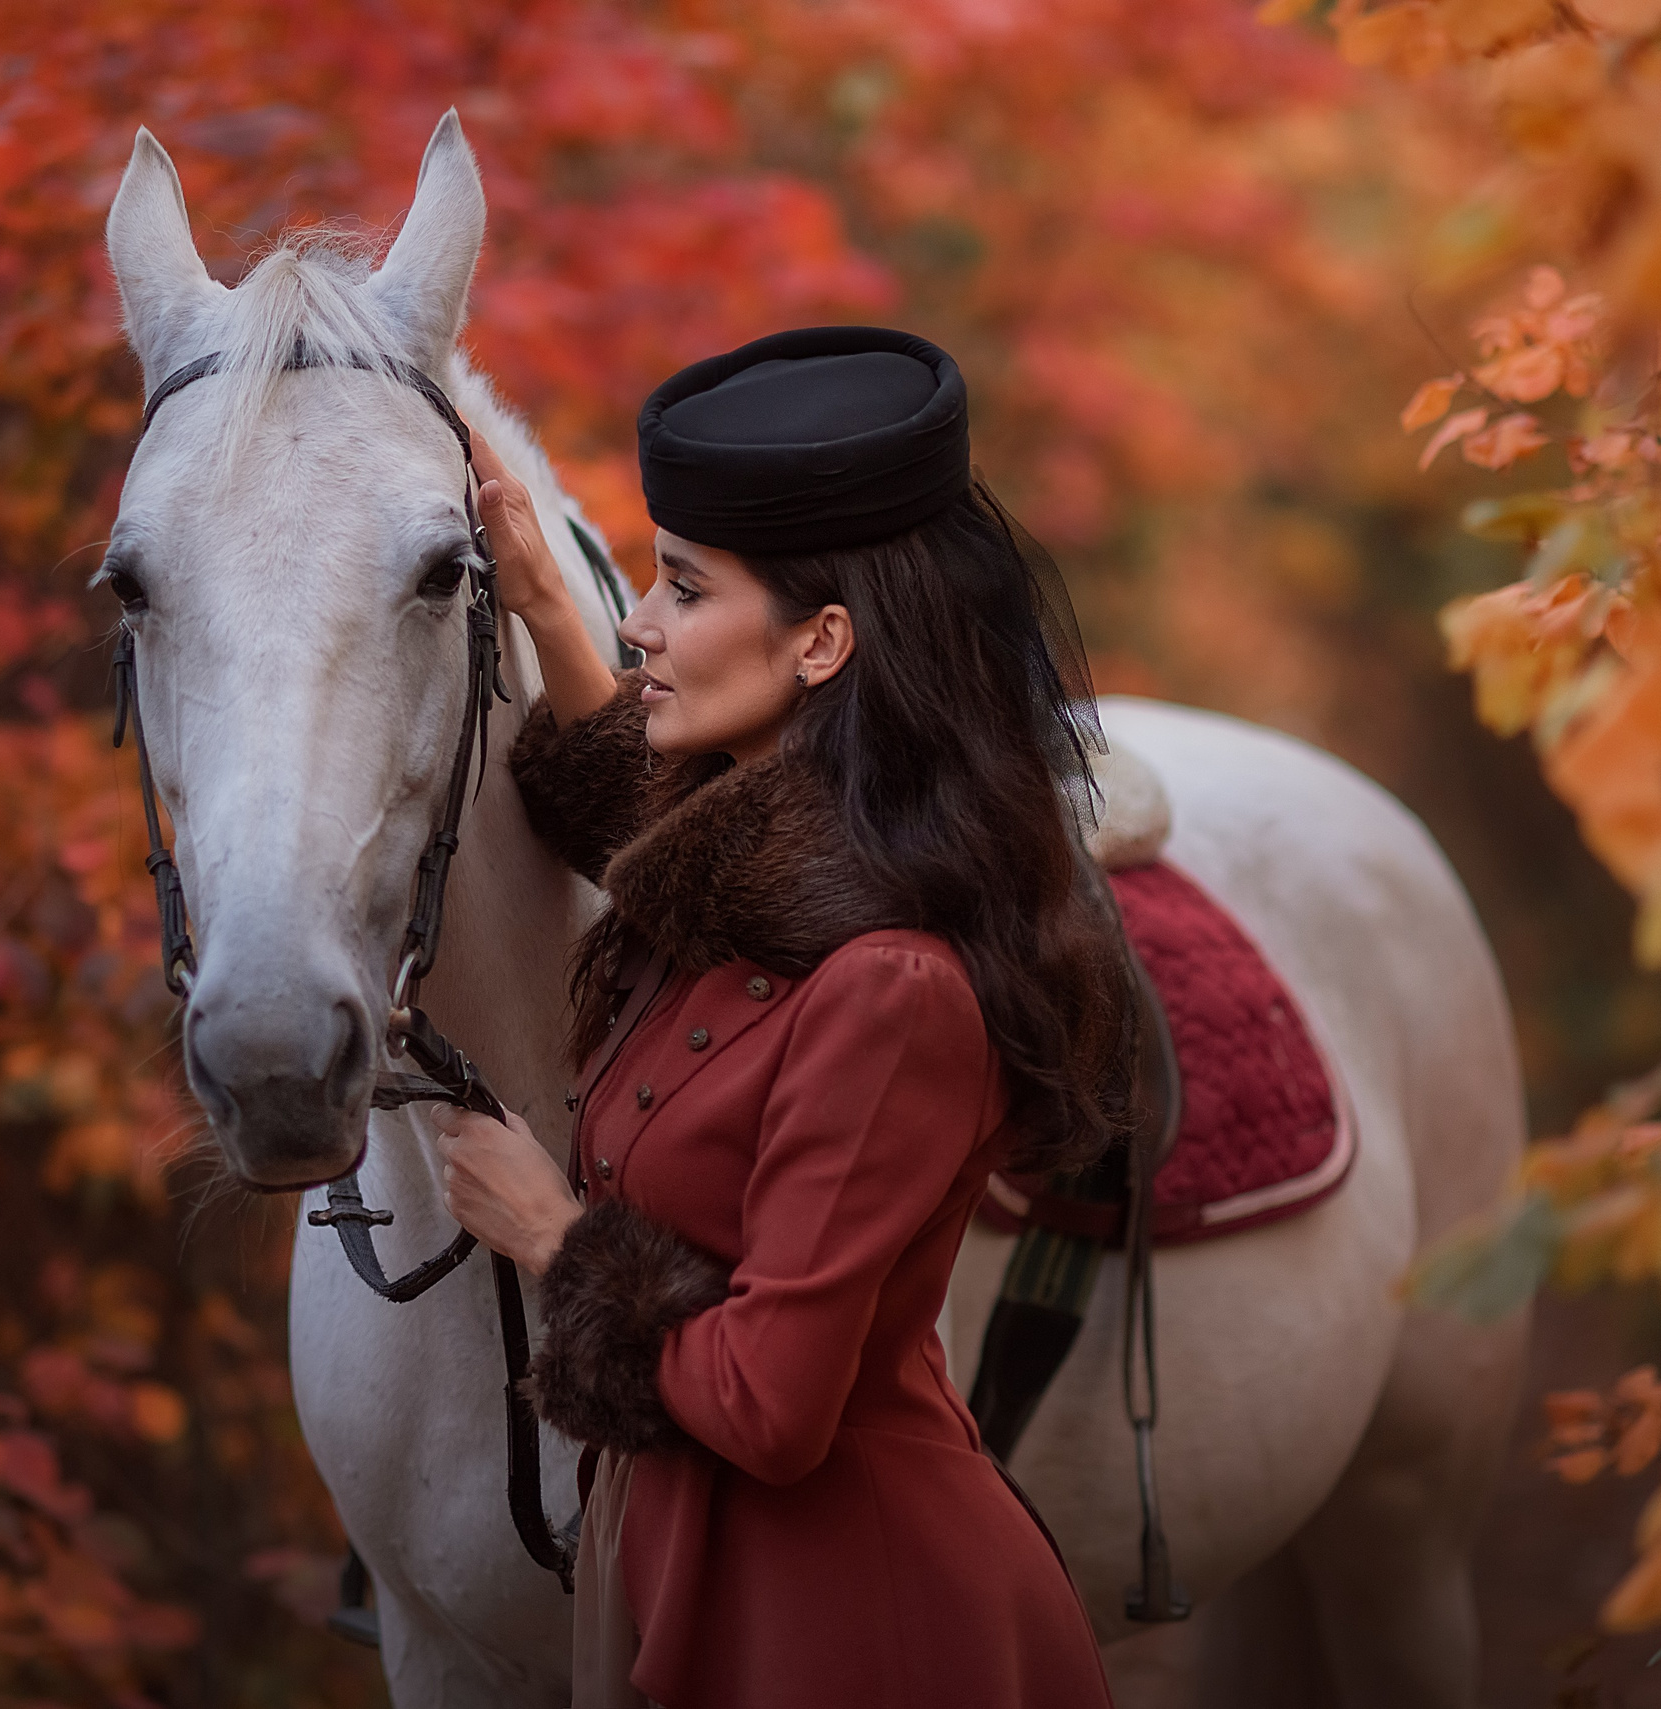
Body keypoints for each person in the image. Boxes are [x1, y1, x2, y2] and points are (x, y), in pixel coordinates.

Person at [434, 326, 1129, 1709]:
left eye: (681, 587)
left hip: (854, 1621)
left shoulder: (891, 986)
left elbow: (770, 1402)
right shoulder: (776, 881)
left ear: (821, 640)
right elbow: (656, 834)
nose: (638, 618)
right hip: (703, 1573)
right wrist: (538, 602)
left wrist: (548, 1233)